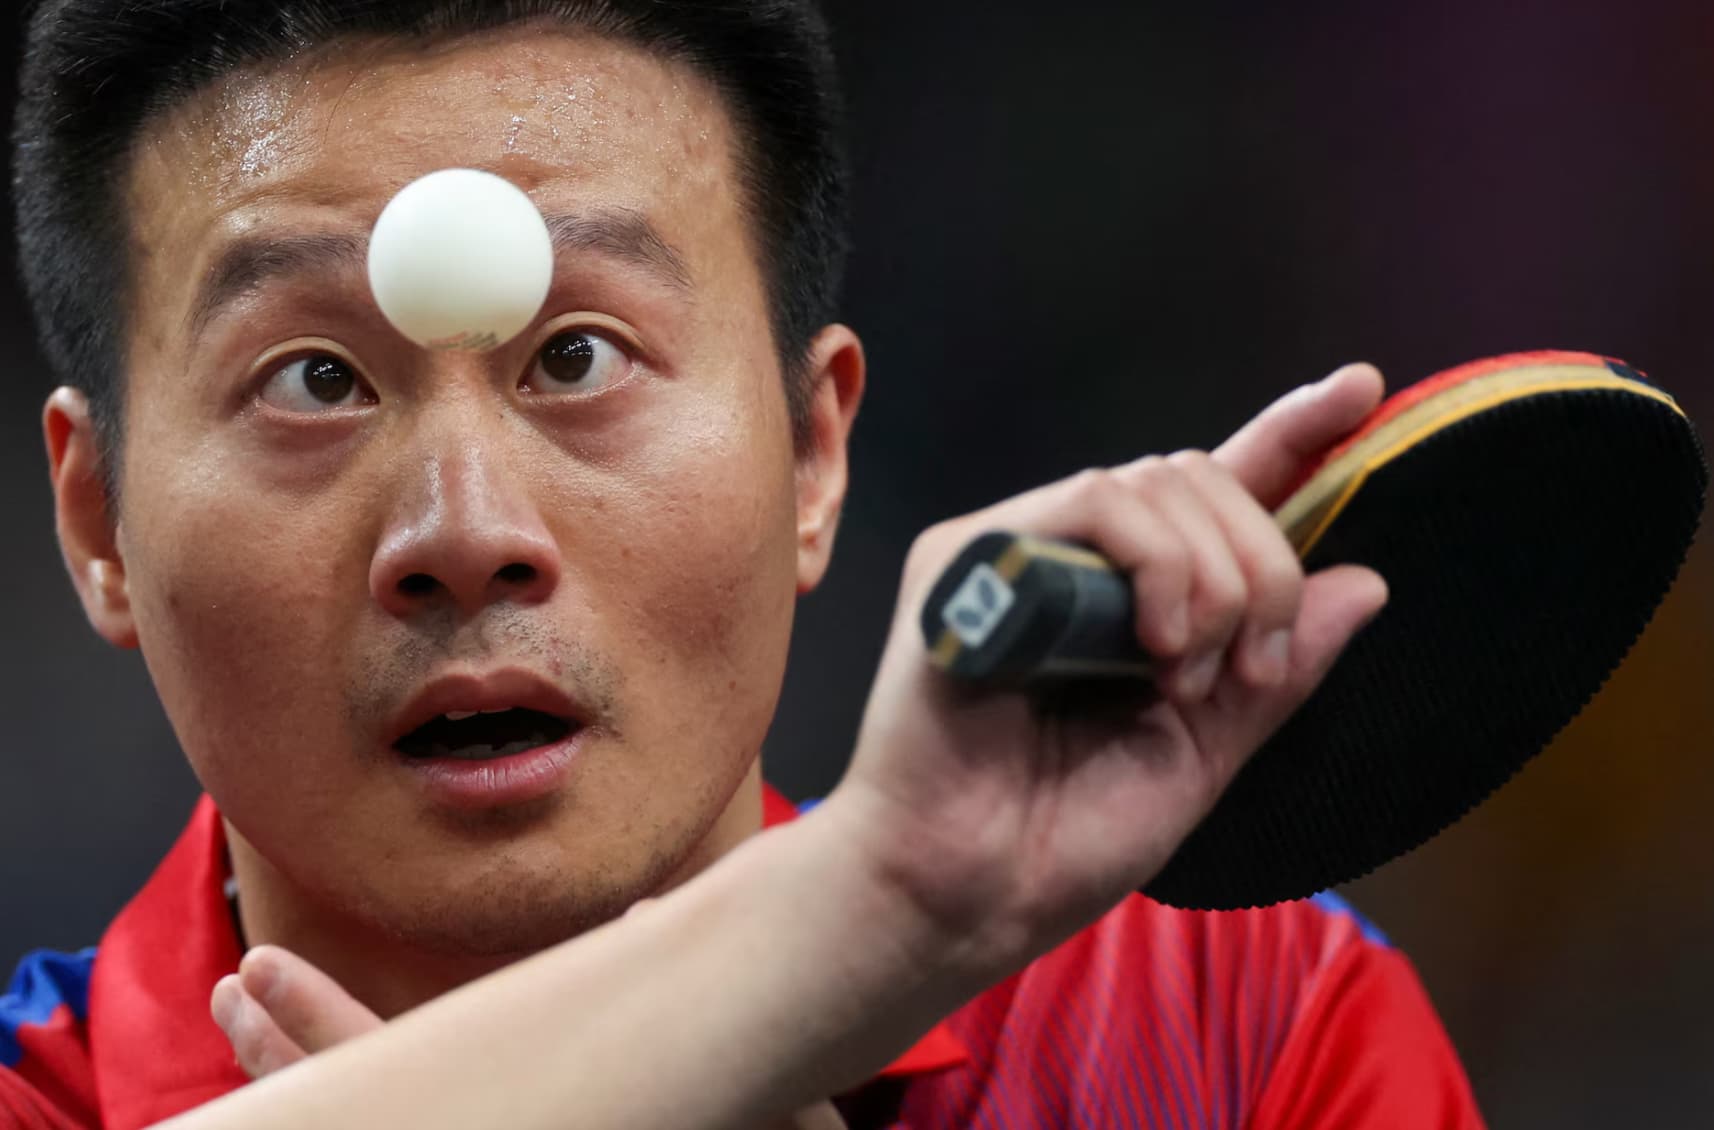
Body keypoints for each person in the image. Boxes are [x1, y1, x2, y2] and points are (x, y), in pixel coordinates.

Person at [0, 1, 1484, 1127]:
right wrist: (872, 912)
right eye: (313, 380)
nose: (463, 532)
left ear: (813, 456)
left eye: (578, 356)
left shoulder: (1236, 1036)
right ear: (97, 523)